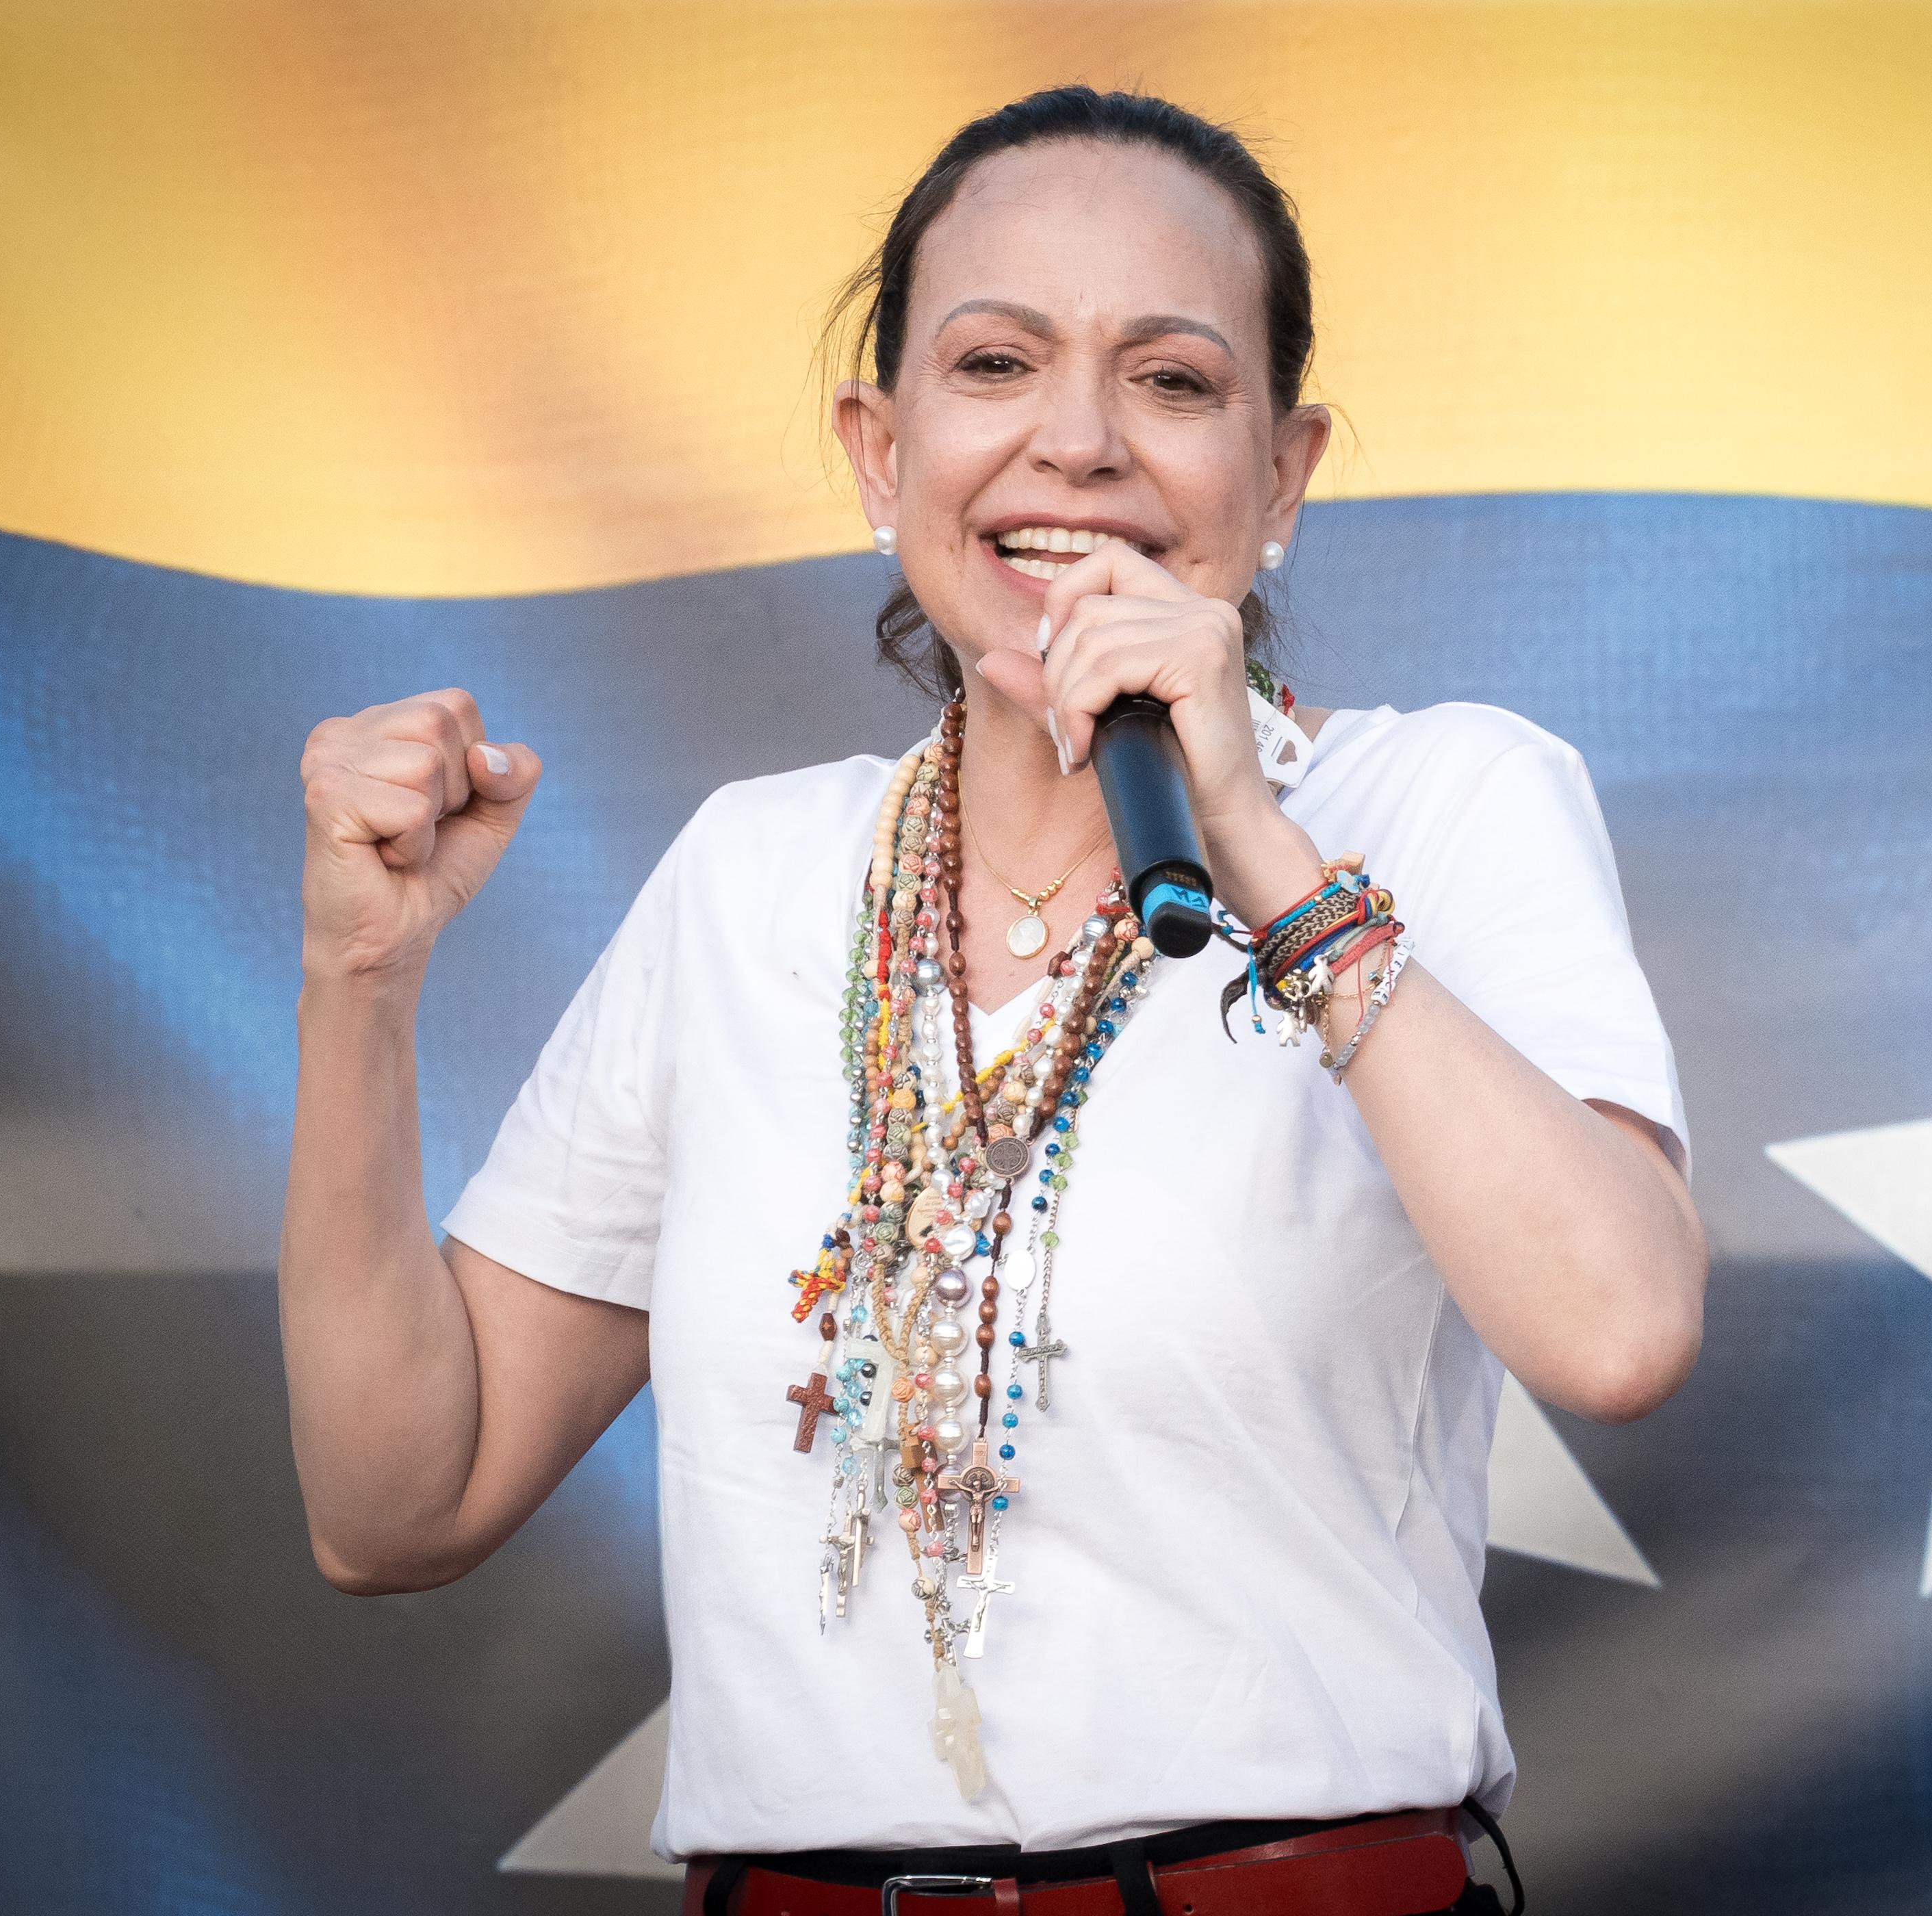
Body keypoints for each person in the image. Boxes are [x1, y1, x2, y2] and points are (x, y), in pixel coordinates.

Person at [280, 84, 1708, 1916]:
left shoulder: (1440, 802)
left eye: (1176, 382)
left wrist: (1256, 844)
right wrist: (361, 979)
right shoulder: (750, 877)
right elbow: (397, 1505)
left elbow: (1619, 1329)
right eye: (996, 364)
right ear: (882, 452)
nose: (1081, 442)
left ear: (1283, 475)